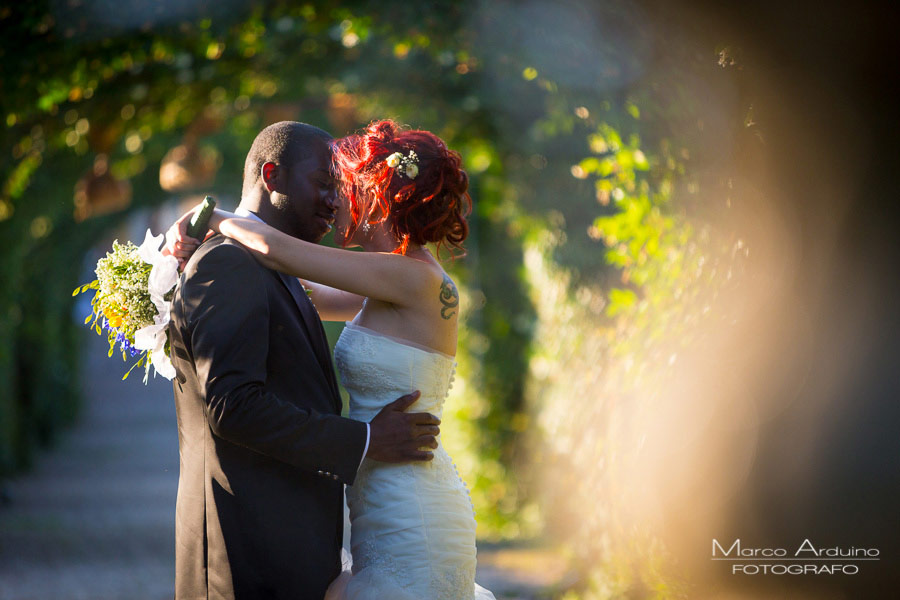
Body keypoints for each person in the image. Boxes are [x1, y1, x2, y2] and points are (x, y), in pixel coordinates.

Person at [168, 120, 495, 599]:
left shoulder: (413, 278)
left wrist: (209, 218)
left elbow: (275, 251)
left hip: (412, 506)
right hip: (381, 500)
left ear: (377, 192)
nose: (335, 199)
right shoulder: (382, 284)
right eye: (328, 185)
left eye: (342, 184)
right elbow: (292, 293)